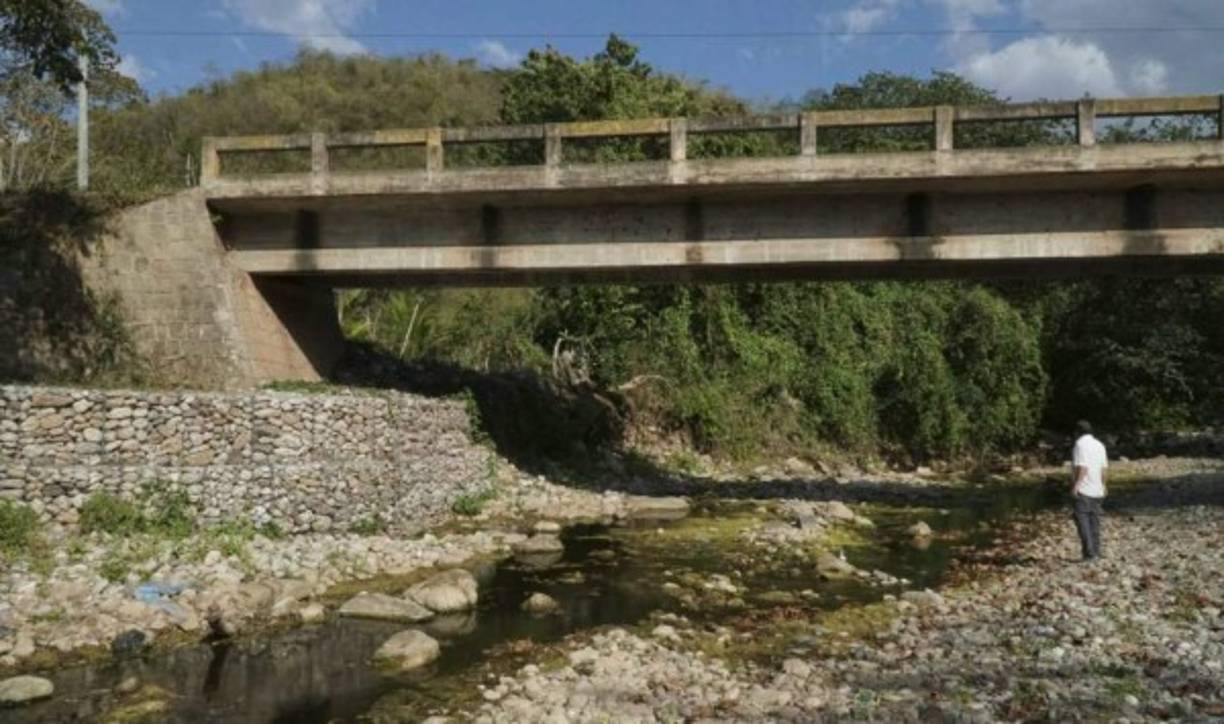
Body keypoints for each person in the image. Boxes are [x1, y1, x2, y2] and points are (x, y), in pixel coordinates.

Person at [1070, 420, 1108, 561]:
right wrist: (1104, 485)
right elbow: (1104, 469)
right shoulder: (1100, 445)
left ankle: (1089, 554)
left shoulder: (1079, 445)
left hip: (1084, 489)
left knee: (1082, 521)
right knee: (1095, 521)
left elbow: (1083, 468)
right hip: (1097, 489)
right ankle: (1096, 551)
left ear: (1077, 432)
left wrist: (1076, 486)